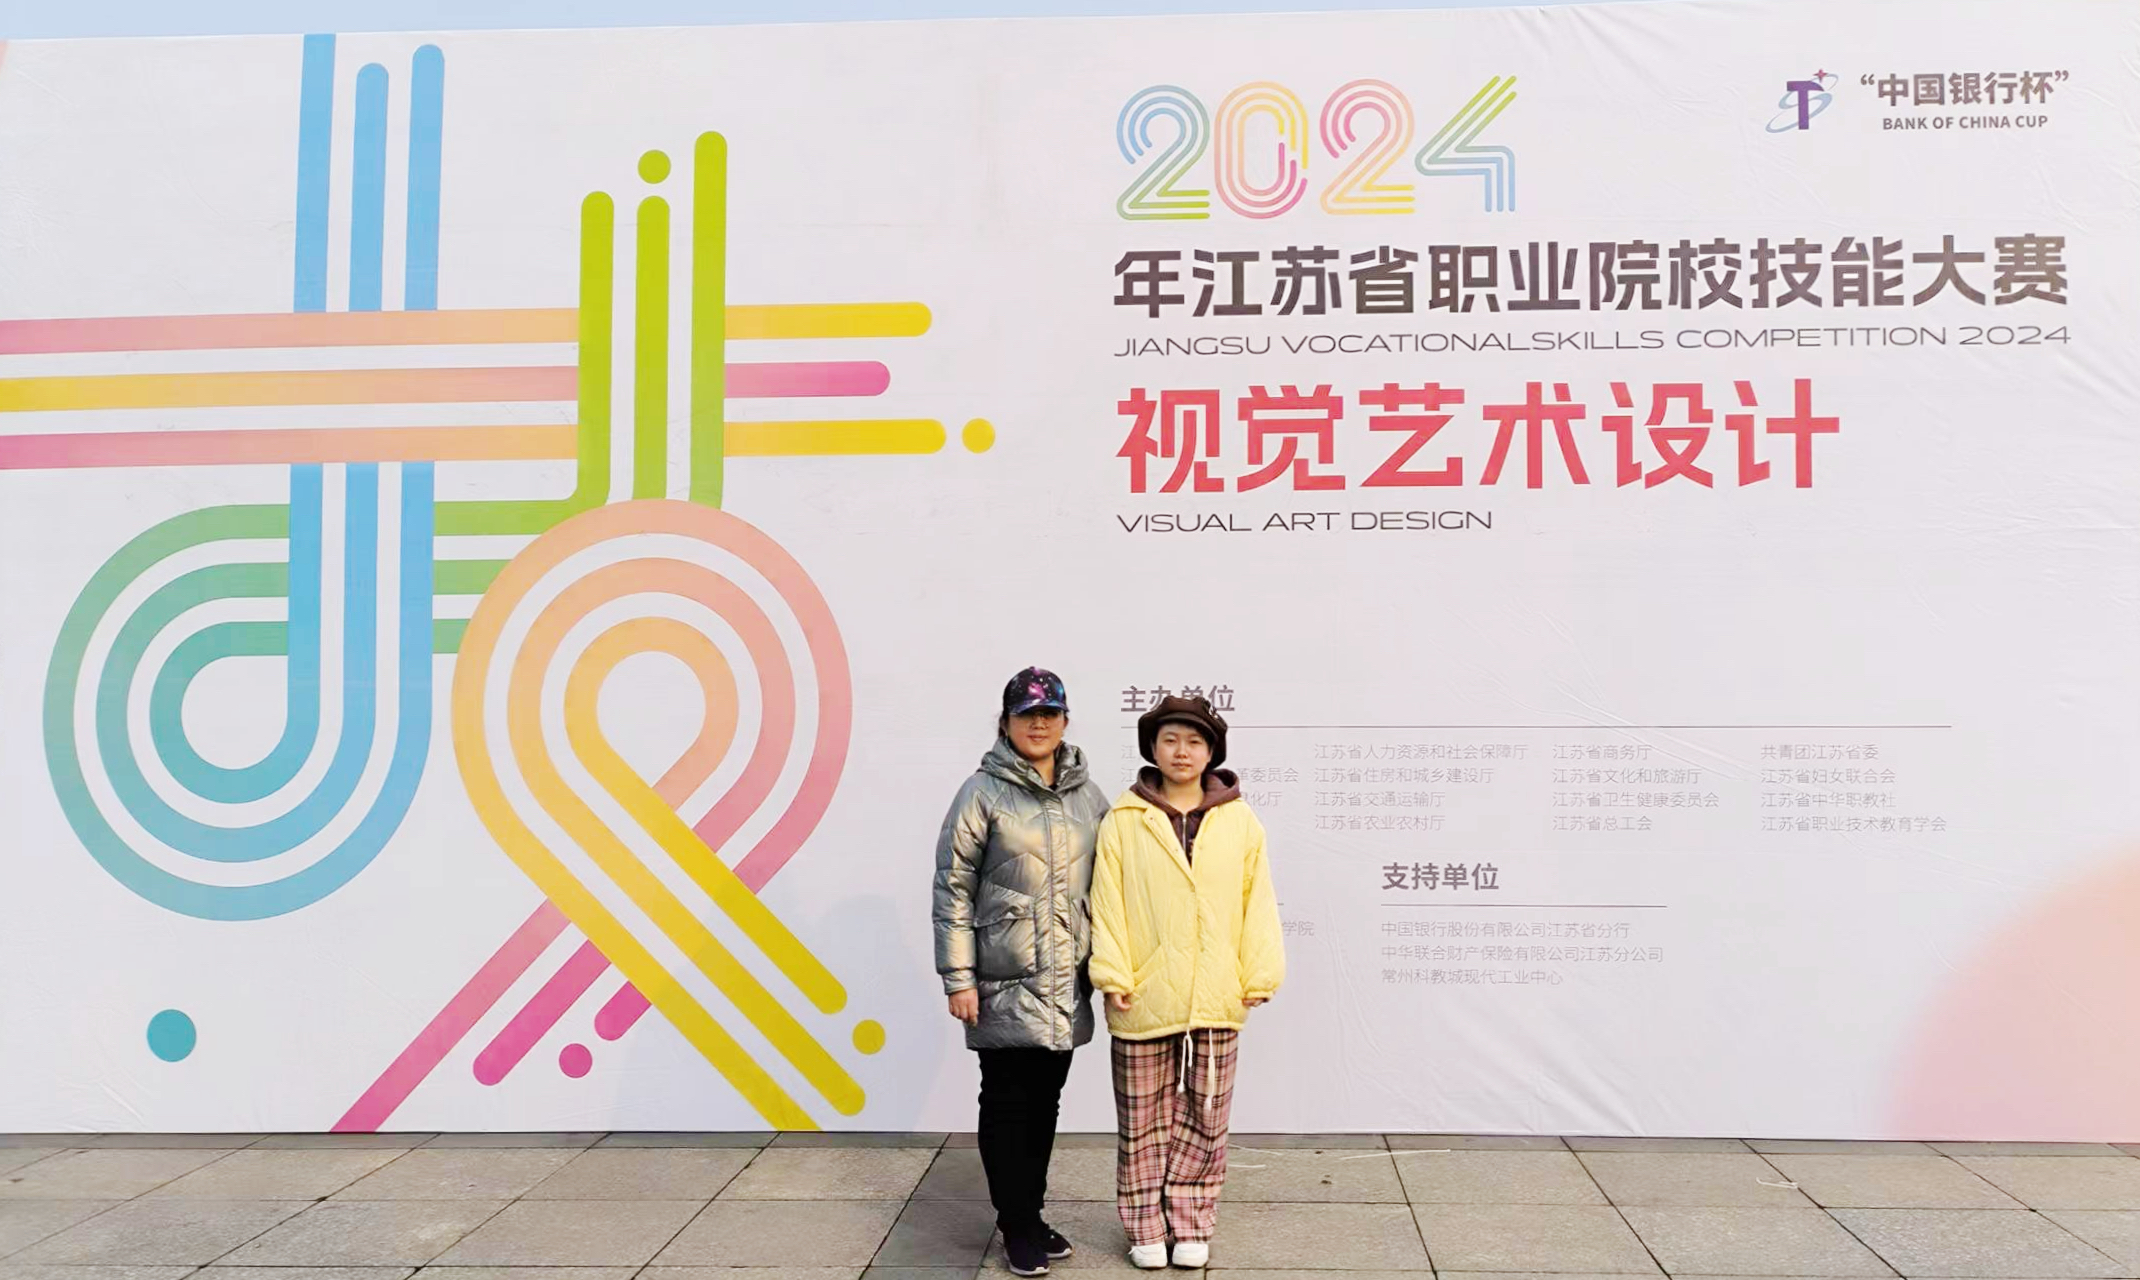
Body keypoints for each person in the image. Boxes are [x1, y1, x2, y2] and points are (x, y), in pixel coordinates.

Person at [1089, 694, 1284, 1270]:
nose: (1182, 751)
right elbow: (1107, 902)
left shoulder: (1239, 820)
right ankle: (1145, 1226)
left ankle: (1192, 1219)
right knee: (1141, 1119)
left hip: (1218, 989)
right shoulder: (1124, 819)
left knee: (1207, 1111)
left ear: (1211, 752)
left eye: (1195, 741)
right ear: (1151, 747)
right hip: (1144, 989)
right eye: (1170, 739)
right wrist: (1112, 972)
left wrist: (1259, 970)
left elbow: (1257, 900)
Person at [933, 667, 1113, 1278]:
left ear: (1065, 720)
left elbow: (1110, 884)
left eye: (1050, 713)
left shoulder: (1088, 795)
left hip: (1066, 980)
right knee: (1008, 1102)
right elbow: (952, 889)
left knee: (1046, 1103)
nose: (1039, 723)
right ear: (1005, 722)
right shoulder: (980, 793)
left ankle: (1030, 1215)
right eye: (1026, 713)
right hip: (1002, 979)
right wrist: (958, 977)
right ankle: (1014, 1224)